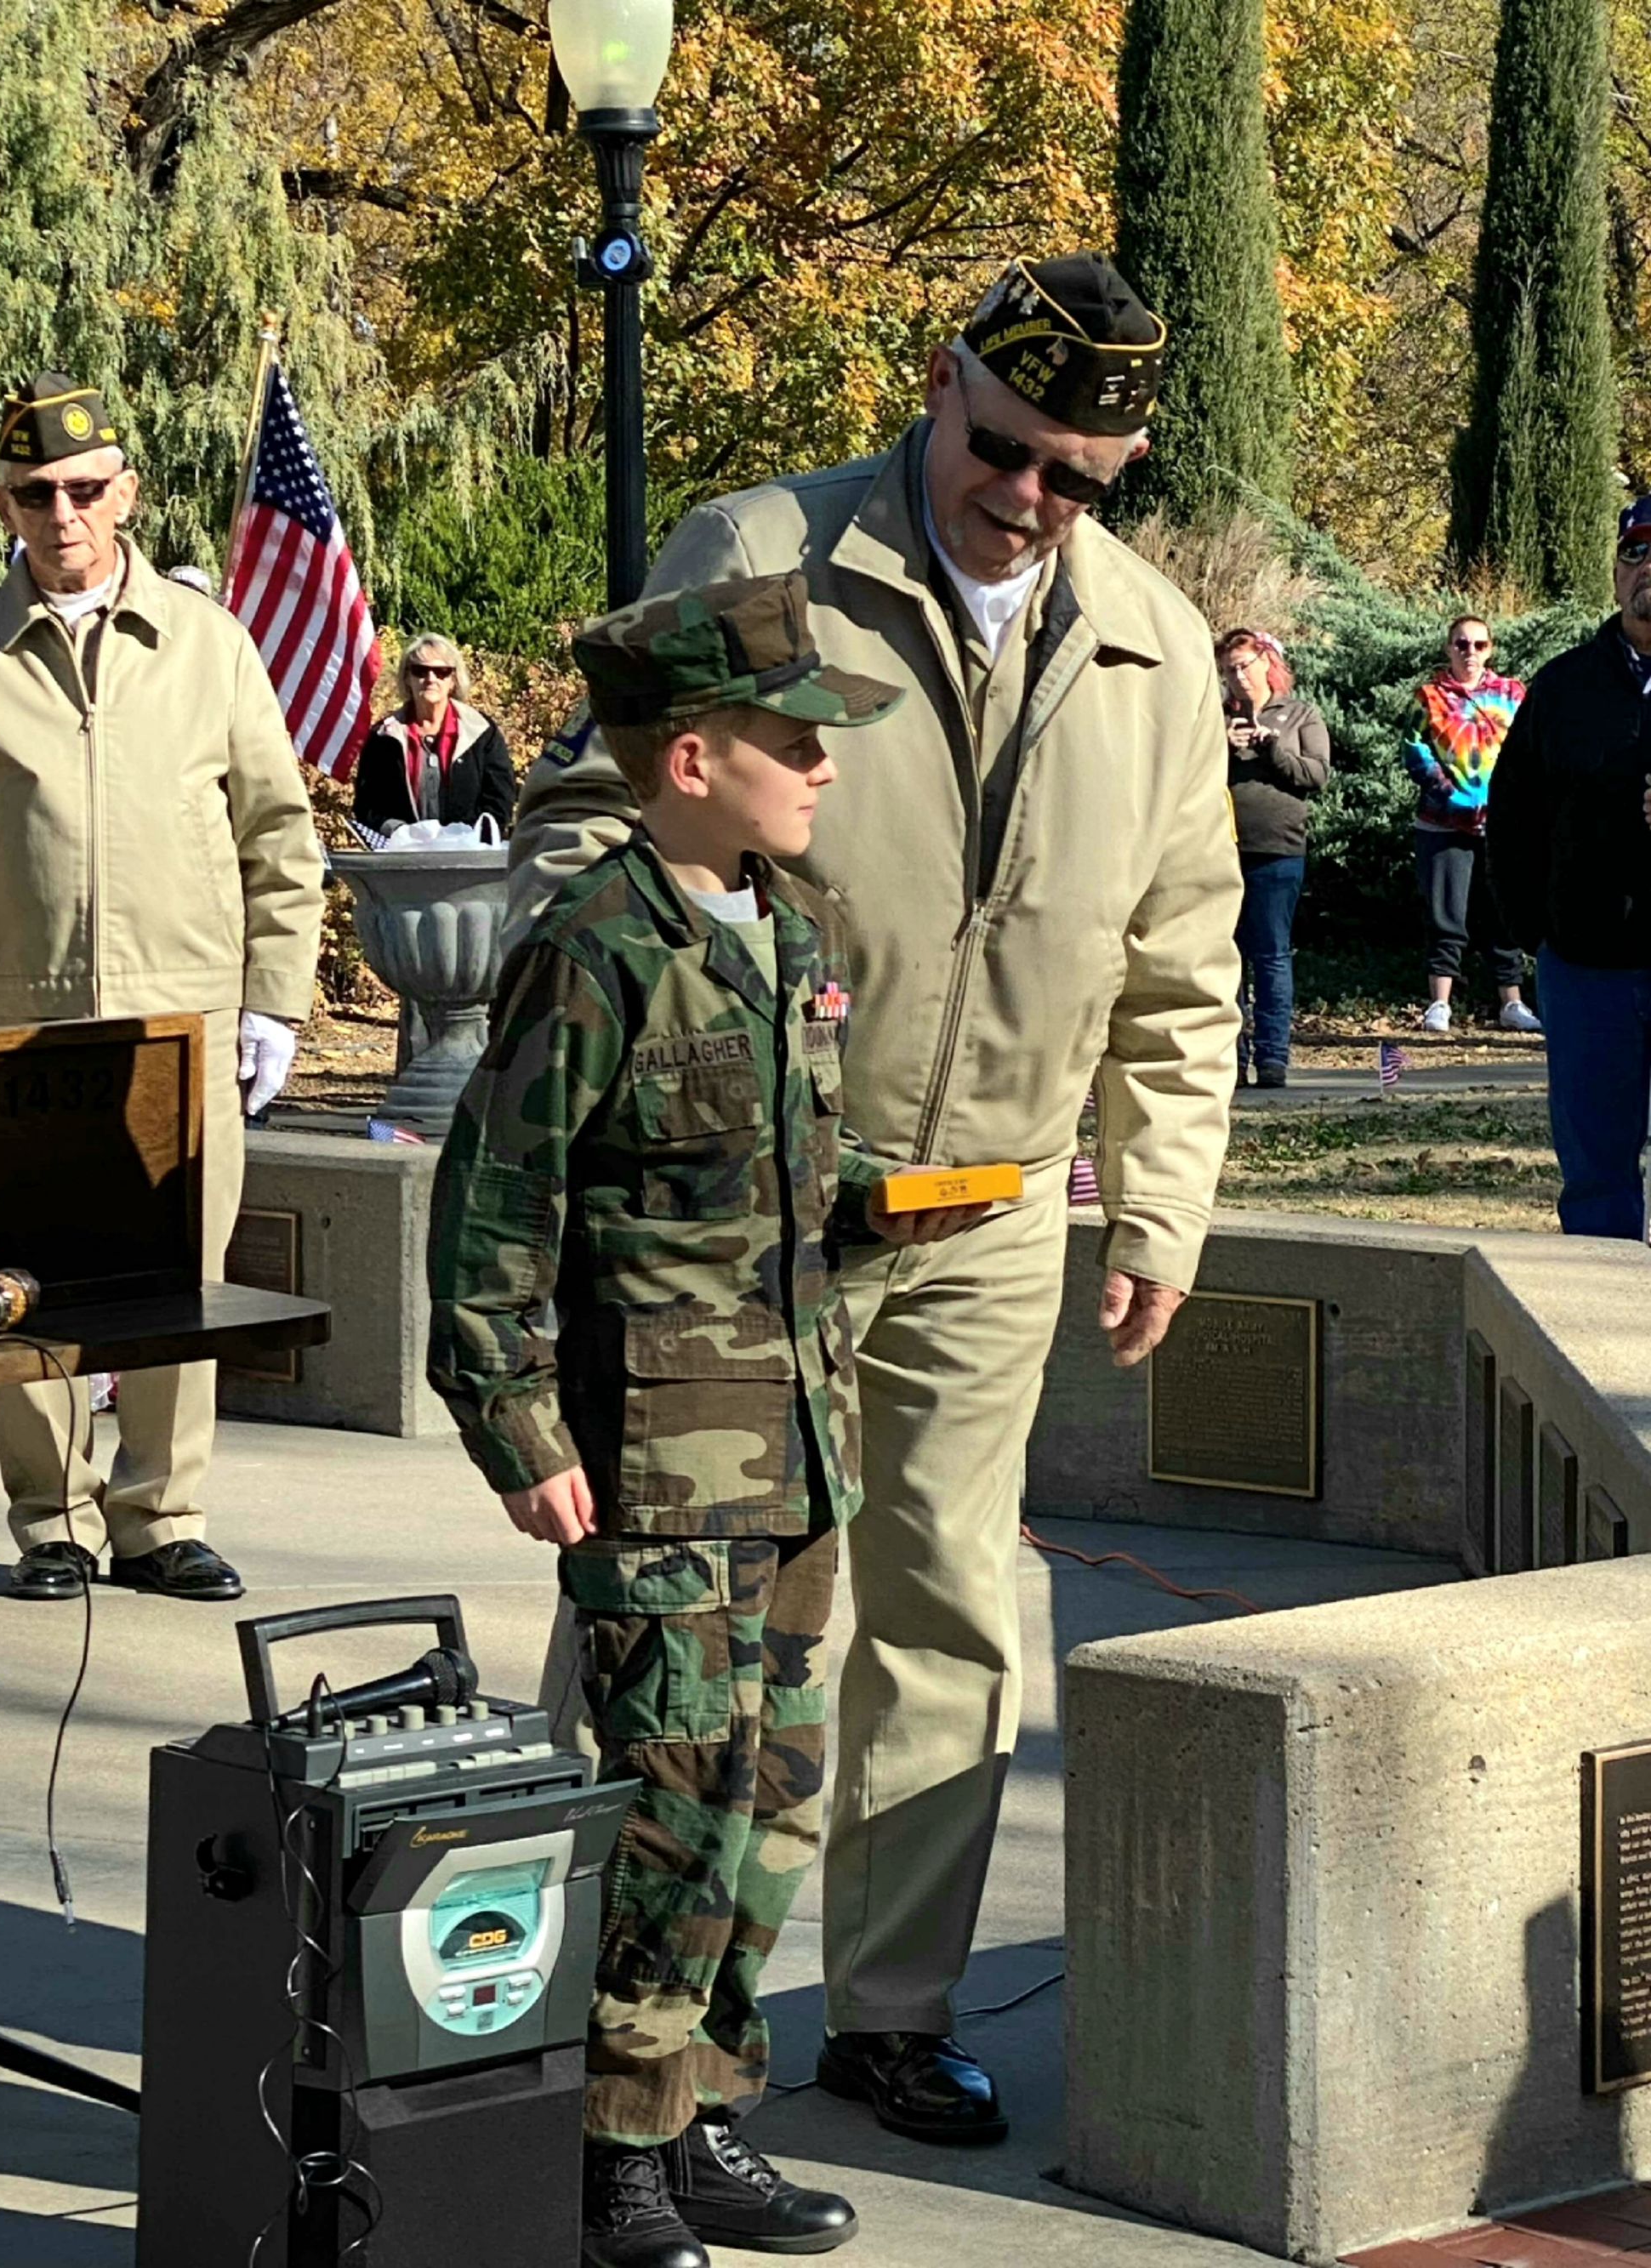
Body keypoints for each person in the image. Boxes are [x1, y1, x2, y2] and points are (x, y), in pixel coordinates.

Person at [504, 253, 1244, 2141]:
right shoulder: (764, 547)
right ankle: (605, 2009)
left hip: (988, 1210)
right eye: (1004, 447)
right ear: (938, 387)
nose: (1030, 497)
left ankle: (888, 2009)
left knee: (947, 1614)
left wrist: (1156, 1204)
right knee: (688, 1617)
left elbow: (1182, 956)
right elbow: (594, 819)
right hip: (741, 1212)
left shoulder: (1151, 645)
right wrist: (647, 1067)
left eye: (1081, 474)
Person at [428, 571, 983, 2268]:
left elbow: (774, 1190)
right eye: (789, 735)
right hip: (657, 1468)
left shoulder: (791, 926)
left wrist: (898, 1204)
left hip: (798, 1449)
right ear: (688, 756)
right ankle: (611, 2158)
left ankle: (705, 2116)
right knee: (669, 1797)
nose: (822, 761)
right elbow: (491, 1219)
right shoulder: (591, 947)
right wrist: (521, 1431)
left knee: (766, 1800)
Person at [0, 372, 324, 1601]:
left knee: (174, 1276)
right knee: (25, 1276)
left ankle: (162, 1516)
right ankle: (50, 1519)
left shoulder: (209, 647)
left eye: (85, 488)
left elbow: (280, 833)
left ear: (130, 493)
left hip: (184, 1016)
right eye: (35, 492)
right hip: (21, 1015)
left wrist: (274, 1000)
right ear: (3, 502)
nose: (62, 513)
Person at [1490, 497, 1651, 1238]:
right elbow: (1514, 812)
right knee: (1595, 1179)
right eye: (1637, 553)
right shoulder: (1563, 688)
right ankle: (1604, 1345)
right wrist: (1536, 930)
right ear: (1618, 574)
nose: (1649, 569)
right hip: (1589, 968)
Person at [1402, 617, 1540, 1035]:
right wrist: (1452, 797)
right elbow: (1415, 750)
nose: (1470, 653)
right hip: (1444, 824)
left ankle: (1511, 1002)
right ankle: (1440, 1002)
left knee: (1504, 913)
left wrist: (1512, 803)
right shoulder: (1427, 696)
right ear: (1448, 648)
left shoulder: (1513, 694)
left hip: (1501, 823)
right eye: (1462, 644)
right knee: (1446, 915)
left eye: (1479, 645)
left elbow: (1531, 749)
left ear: (1491, 649)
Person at [1217, 628, 1329, 1089]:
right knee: (1226, 958)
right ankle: (1231, 1061)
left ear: (1267, 662)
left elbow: (1315, 775)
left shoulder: (1301, 714)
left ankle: (1272, 1059)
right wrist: (1220, 742)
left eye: (1243, 666)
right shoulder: (1214, 716)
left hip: (1278, 850)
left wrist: (1272, 746)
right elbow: (1184, 771)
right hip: (1221, 848)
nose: (1237, 677)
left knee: (1272, 956)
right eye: (1228, 671)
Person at [352, 631, 515, 837]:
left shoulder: (481, 732)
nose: (430, 679)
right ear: (407, 678)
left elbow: (500, 801)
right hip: (403, 857)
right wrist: (399, 832)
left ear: (453, 680)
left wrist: (471, 837)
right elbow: (367, 807)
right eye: (420, 671)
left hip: (468, 855)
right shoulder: (383, 737)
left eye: (441, 672)